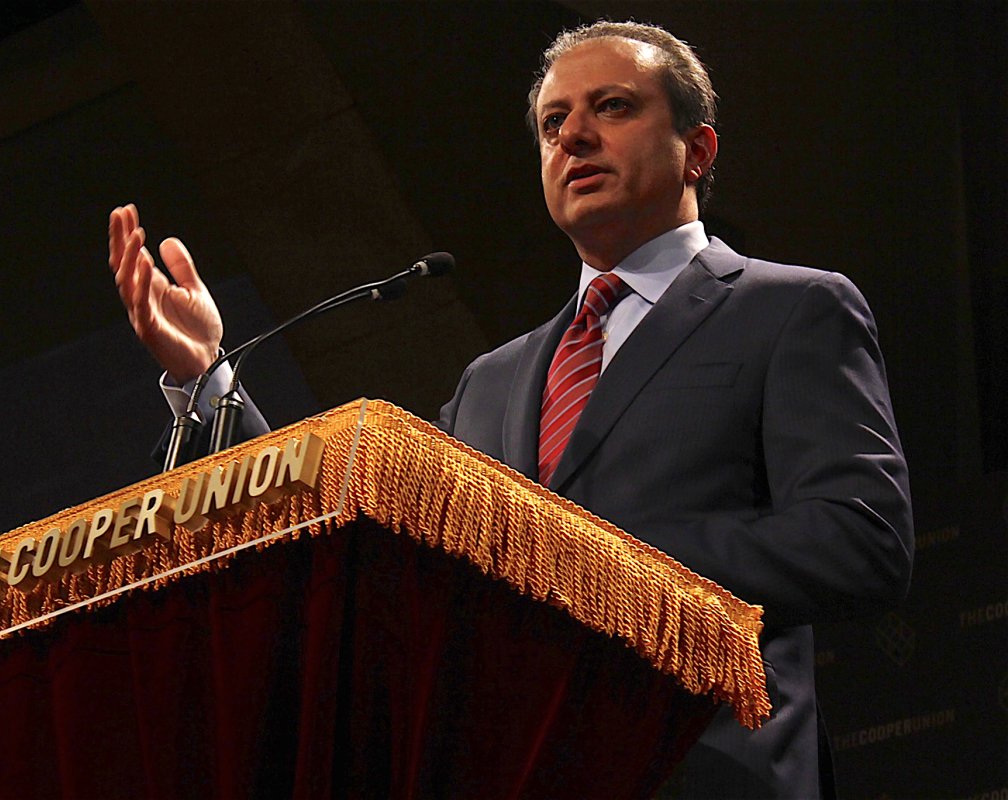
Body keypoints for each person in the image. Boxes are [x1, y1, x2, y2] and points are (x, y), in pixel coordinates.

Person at [108, 20, 913, 799]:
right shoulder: (492, 381)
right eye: (552, 123)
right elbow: (359, 543)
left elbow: (860, 541)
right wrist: (212, 379)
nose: (573, 138)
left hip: (699, 772)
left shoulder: (790, 309)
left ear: (697, 149)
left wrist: (586, 561)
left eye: (614, 107)